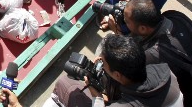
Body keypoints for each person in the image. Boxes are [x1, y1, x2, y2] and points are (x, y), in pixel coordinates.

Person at [47, 34, 183, 107]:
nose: (101, 64)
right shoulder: (168, 75)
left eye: (103, 64)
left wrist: (98, 97)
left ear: (117, 74)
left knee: (65, 83)